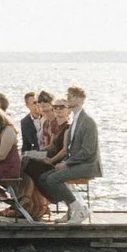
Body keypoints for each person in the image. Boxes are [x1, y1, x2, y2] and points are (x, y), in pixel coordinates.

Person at [36, 86, 101, 223]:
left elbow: (87, 151)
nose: (69, 98)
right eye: (69, 95)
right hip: (76, 163)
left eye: (72, 96)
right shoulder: (75, 120)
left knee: (53, 179)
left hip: (88, 165)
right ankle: (72, 209)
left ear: (80, 100)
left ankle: (80, 210)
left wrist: (66, 163)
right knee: (43, 178)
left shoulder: (88, 121)